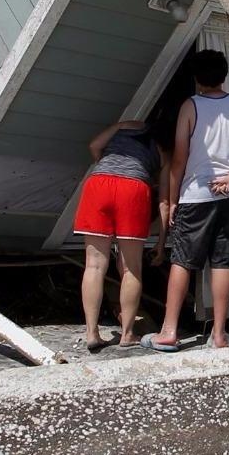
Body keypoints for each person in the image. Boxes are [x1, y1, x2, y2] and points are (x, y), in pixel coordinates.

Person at [145, 48, 229, 352]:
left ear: (197, 78)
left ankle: (168, 332)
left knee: (183, 260)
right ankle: (219, 335)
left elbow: (179, 159)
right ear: (224, 77)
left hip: (196, 195)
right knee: (223, 263)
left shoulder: (190, 106)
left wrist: (170, 200)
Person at [72, 112, 165, 352]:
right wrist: (163, 239)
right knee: (131, 267)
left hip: (99, 183)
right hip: (134, 188)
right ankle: (127, 334)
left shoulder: (125, 128)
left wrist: (119, 125)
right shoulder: (164, 150)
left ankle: (92, 333)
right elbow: (164, 199)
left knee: (93, 264)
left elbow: (94, 146)